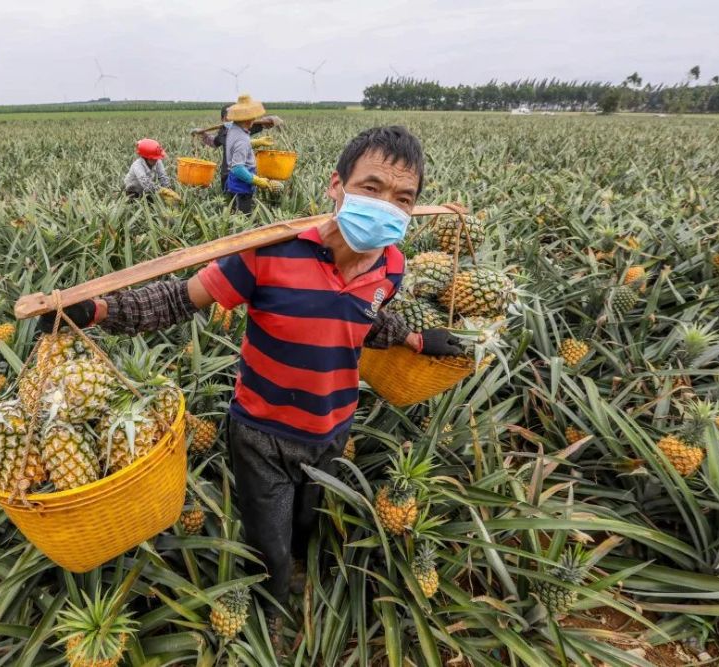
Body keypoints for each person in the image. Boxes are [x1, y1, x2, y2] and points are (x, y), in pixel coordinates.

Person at [40, 125, 463, 651]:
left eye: (404, 198)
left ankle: (297, 574)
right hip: (262, 432)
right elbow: (178, 300)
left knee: (307, 519)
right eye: (372, 188)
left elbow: (366, 318)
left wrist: (418, 339)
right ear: (337, 186)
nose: (387, 207)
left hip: (333, 427)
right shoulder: (269, 251)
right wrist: (100, 310)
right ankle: (271, 611)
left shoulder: (393, 266)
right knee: (268, 538)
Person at [195, 104, 282, 195]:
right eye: (229, 118)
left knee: (246, 199)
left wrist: (271, 120)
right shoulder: (223, 132)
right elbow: (214, 142)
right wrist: (203, 135)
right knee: (233, 202)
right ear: (222, 119)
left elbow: (261, 124)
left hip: (247, 173)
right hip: (229, 175)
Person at [217, 94, 282, 214]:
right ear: (248, 119)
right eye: (253, 117)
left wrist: (257, 142)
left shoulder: (232, 128)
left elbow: (236, 145)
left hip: (235, 182)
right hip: (241, 185)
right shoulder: (241, 138)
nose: (254, 119)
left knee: (234, 212)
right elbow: (237, 168)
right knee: (243, 216)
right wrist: (256, 180)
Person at [123, 138, 180, 204]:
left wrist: (170, 190)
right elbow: (146, 184)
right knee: (134, 205)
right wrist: (163, 190)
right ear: (146, 157)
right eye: (154, 158)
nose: (156, 160)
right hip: (132, 190)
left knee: (154, 204)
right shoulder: (137, 165)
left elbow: (163, 177)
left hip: (145, 190)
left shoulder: (157, 161)